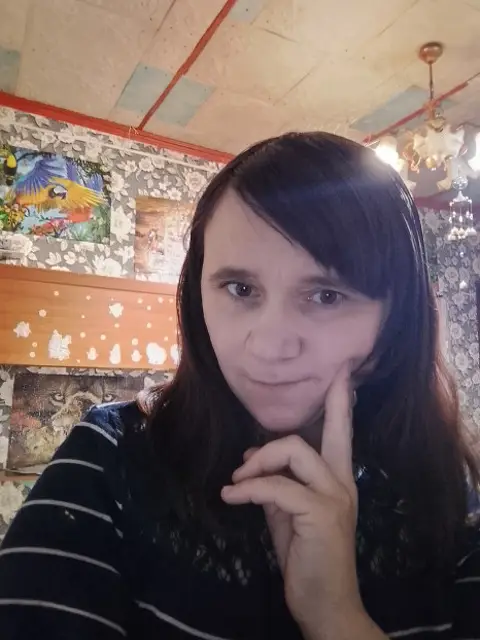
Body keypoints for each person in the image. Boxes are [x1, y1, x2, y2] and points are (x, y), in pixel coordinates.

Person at [0, 132, 479, 640]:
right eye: (241, 288)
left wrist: (336, 614)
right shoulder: (110, 458)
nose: (269, 346)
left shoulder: (450, 498)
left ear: (396, 319)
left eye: (327, 295)